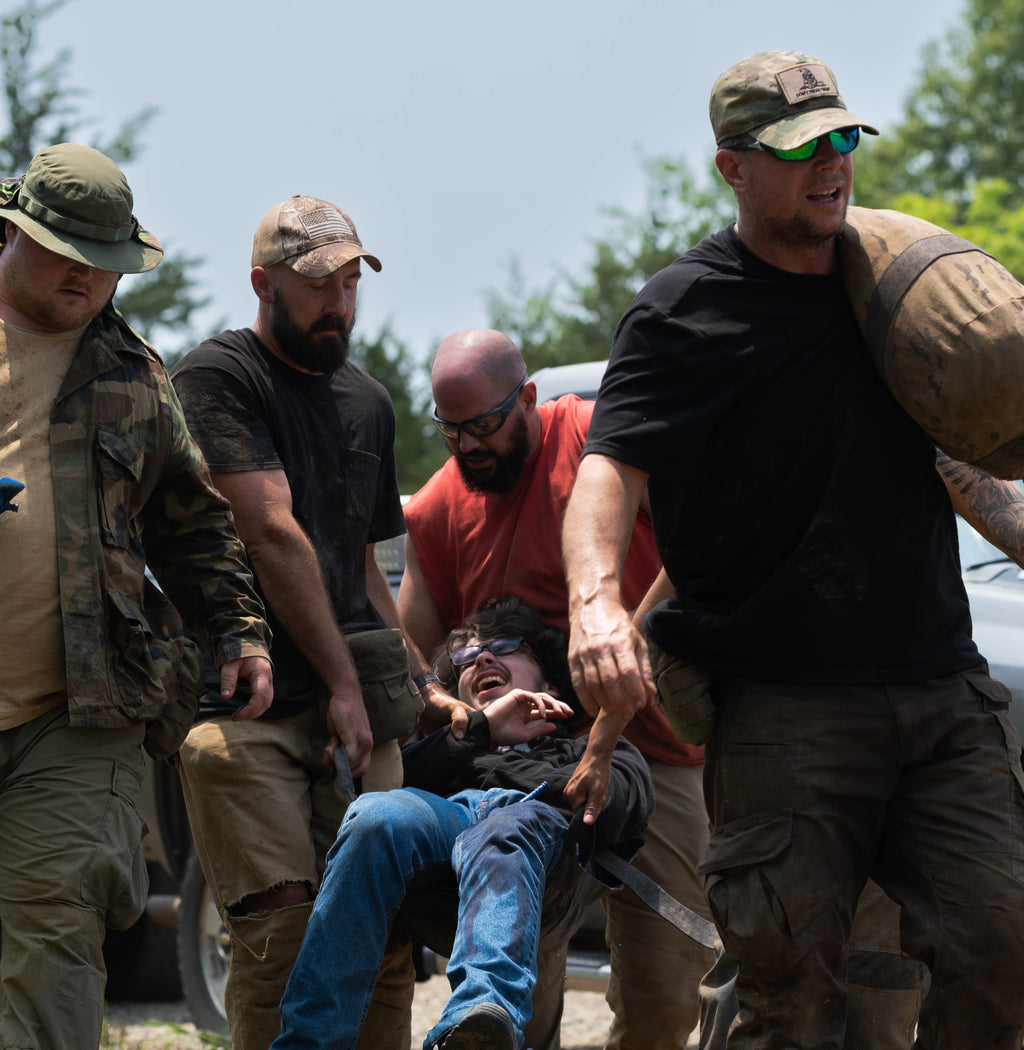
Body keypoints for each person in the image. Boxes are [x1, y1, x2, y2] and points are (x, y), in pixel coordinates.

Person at [562, 50, 1024, 1050]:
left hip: (942, 691)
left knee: (1002, 951)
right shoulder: (683, 314)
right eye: (799, 147)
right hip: (785, 713)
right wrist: (595, 606)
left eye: (842, 138)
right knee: (791, 1003)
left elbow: (957, 466)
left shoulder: (890, 290)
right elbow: (610, 470)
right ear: (732, 167)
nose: (831, 162)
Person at [0, 142, 274, 1050]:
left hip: (74, 714)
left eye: (104, 262)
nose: (85, 277)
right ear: (14, 231)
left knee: (51, 934)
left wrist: (239, 633)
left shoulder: (134, 377)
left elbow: (192, 523)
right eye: (65, 252)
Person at [170, 195, 442, 1050]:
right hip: (246, 712)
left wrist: (415, 681)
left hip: (356, 710)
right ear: (263, 283)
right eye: (320, 283)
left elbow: (366, 565)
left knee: (390, 935)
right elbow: (270, 532)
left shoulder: (369, 400)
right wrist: (341, 684)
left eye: (353, 281)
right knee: (283, 941)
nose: (340, 302)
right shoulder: (217, 376)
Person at [399, 328, 712, 1049]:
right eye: (451, 430)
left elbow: (700, 545)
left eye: (484, 424)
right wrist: (440, 700)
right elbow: (415, 643)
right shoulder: (443, 507)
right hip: (517, 771)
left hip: (652, 748)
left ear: (529, 398)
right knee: (515, 988)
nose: (468, 446)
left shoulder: (600, 444)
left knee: (670, 986)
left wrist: (634, 641)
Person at [272, 595, 655, 1050]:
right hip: (449, 827)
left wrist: (563, 780)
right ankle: (310, 1041)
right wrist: (480, 730)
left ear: (551, 683)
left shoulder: (584, 750)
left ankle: (480, 1020)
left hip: (539, 838)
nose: (483, 657)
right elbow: (396, 783)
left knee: (503, 829)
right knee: (374, 815)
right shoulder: (452, 745)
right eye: (467, 658)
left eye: (507, 646)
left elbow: (625, 806)